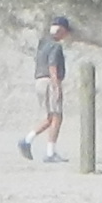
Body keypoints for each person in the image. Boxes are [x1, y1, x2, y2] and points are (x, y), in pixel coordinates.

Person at [20, 15, 75, 161]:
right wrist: (56, 86)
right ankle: (50, 152)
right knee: (57, 116)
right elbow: (52, 66)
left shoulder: (42, 44)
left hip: (39, 81)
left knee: (50, 117)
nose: (66, 35)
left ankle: (27, 140)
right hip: (49, 81)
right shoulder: (55, 46)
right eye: (65, 31)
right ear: (61, 30)